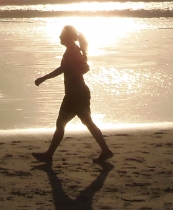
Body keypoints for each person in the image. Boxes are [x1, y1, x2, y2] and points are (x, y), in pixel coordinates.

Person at [32, 25, 113, 163]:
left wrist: (43, 78)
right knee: (86, 122)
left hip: (75, 94)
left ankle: (49, 155)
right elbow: (82, 68)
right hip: (79, 92)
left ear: (67, 37)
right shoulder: (75, 50)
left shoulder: (72, 51)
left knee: (62, 123)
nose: (59, 37)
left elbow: (63, 69)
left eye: (61, 35)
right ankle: (105, 151)